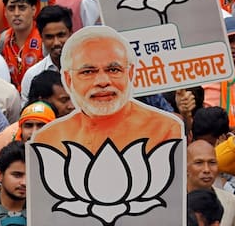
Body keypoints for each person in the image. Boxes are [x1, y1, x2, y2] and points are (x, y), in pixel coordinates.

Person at [30, 26, 181, 154]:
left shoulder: (165, 130)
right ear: (69, 80)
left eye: (113, 70)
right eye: (88, 72)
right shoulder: (48, 141)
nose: (102, 82)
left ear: (130, 73)